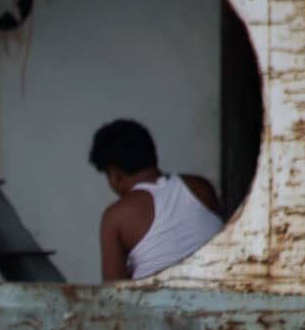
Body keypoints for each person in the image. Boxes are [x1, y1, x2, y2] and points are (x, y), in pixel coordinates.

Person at [89, 119, 223, 281]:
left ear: (114, 174)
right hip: (224, 294)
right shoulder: (201, 187)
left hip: (160, 304)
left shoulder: (116, 216)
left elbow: (112, 293)